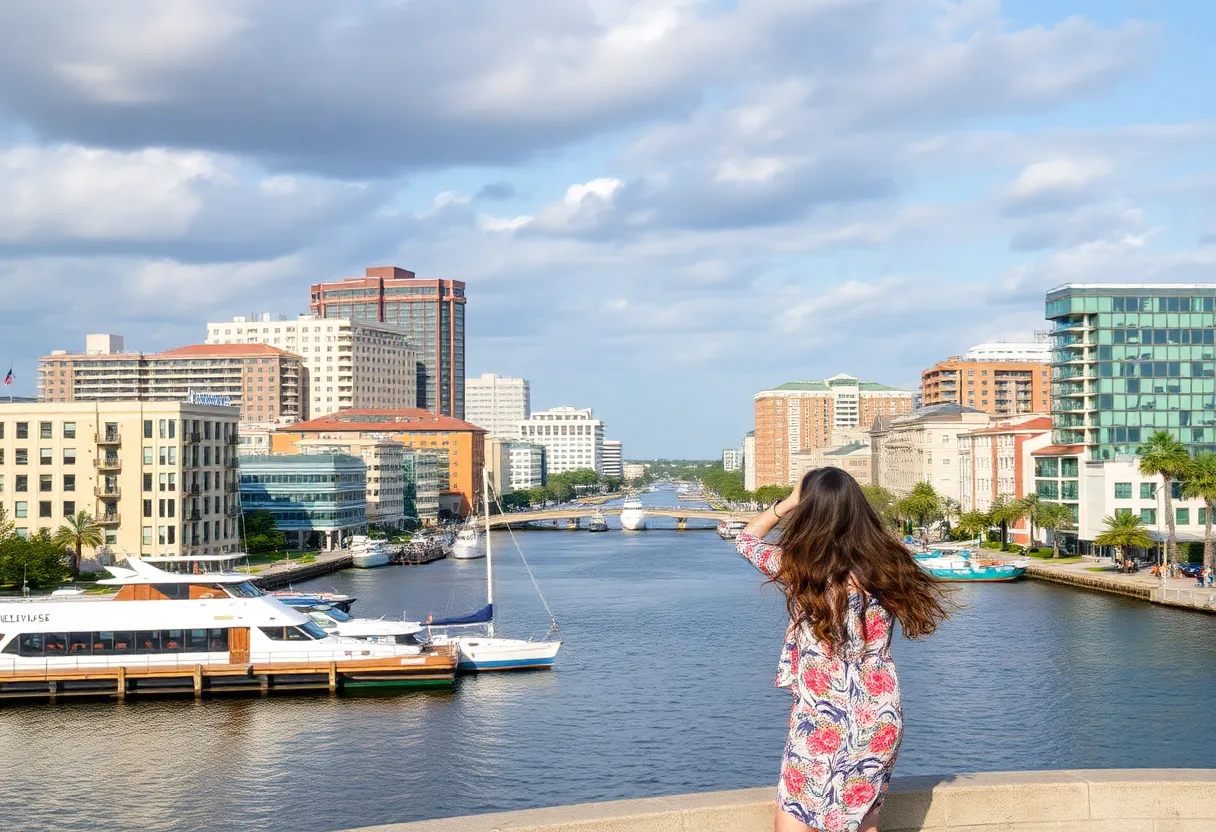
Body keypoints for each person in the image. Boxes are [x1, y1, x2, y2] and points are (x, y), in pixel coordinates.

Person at [736, 467, 948, 832]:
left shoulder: (800, 569)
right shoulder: (888, 566)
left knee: (795, 822)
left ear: (810, 511)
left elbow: (746, 539)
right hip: (879, 711)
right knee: (864, 823)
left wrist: (787, 503)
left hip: (824, 714)